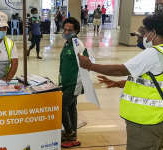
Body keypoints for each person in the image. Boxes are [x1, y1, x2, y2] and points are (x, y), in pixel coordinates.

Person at [78, 13, 163, 150]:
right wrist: (119, 83)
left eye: (145, 32)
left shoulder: (153, 53)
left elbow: (121, 70)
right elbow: (153, 81)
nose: (144, 37)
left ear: (153, 33)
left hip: (145, 121)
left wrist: (90, 66)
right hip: (158, 119)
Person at [60, 17, 89, 148]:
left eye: (69, 30)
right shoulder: (67, 42)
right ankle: (72, 134)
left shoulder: (78, 44)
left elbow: (87, 63)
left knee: (61, 106)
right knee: (71, 108)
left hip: (74, 84)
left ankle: (70, 133)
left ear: (76, 31)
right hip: (65, 83)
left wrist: (81, 84)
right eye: (65, 29)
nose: (66, 31)